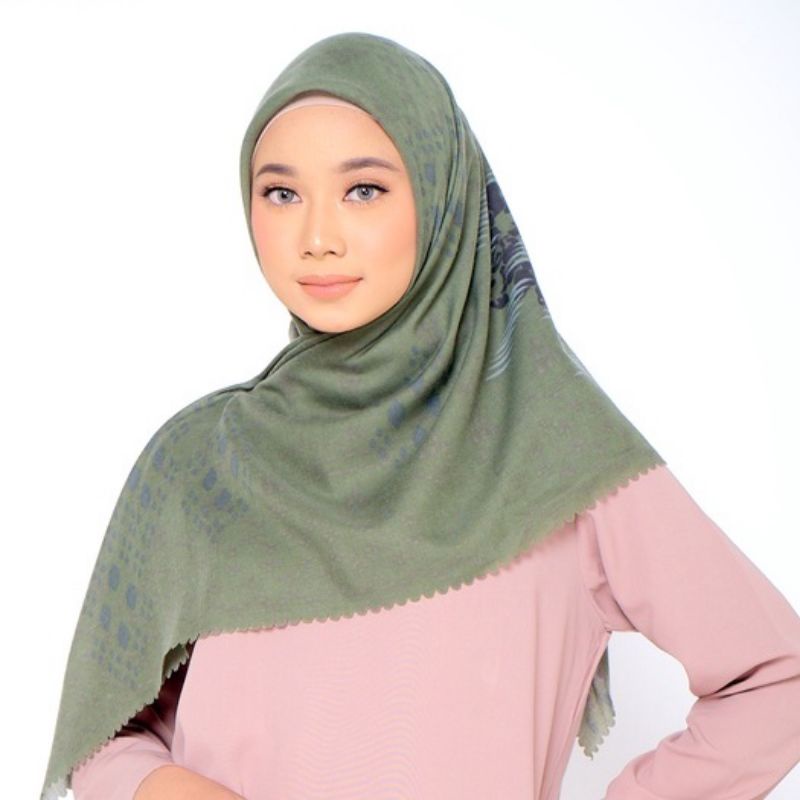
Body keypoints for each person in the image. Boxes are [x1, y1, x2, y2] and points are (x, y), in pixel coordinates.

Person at [41, 32, 800, 800]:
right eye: (282, 194)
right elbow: (104, 738)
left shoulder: (555, 456)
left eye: (364, 190)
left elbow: (778, 680)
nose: (317, 238)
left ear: (441, 198)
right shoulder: (201, 466)